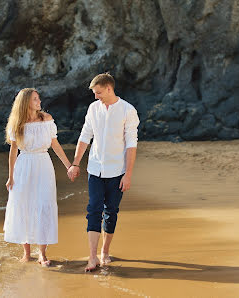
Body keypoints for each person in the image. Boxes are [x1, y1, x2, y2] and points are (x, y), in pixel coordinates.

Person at [67, 73, 140, 272]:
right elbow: (85, 137)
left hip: (118, 171)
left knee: (111, 213)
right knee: (93, 210)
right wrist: (75, 163)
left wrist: (129, 174)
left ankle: (104, 251)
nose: (96, 96)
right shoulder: (93, 109)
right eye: (94, 93)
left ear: (109, 88)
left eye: (98, 92)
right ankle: (92, 257)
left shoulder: (128, 110)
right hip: (95, 169)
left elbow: (131, 145)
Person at [4, 88, 71, 266]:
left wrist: (68, 165)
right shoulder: (17, 123)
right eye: (35, 99)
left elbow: (55, 144)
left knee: (44, 205)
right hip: (23, 166)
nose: (39, 102)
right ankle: (27, 253)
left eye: (38, 98)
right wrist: (10, 176)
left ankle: (42, 253)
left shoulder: (46, 119)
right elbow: (13, 151)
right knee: (24, 206)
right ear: (26, 102)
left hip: (43, 164)